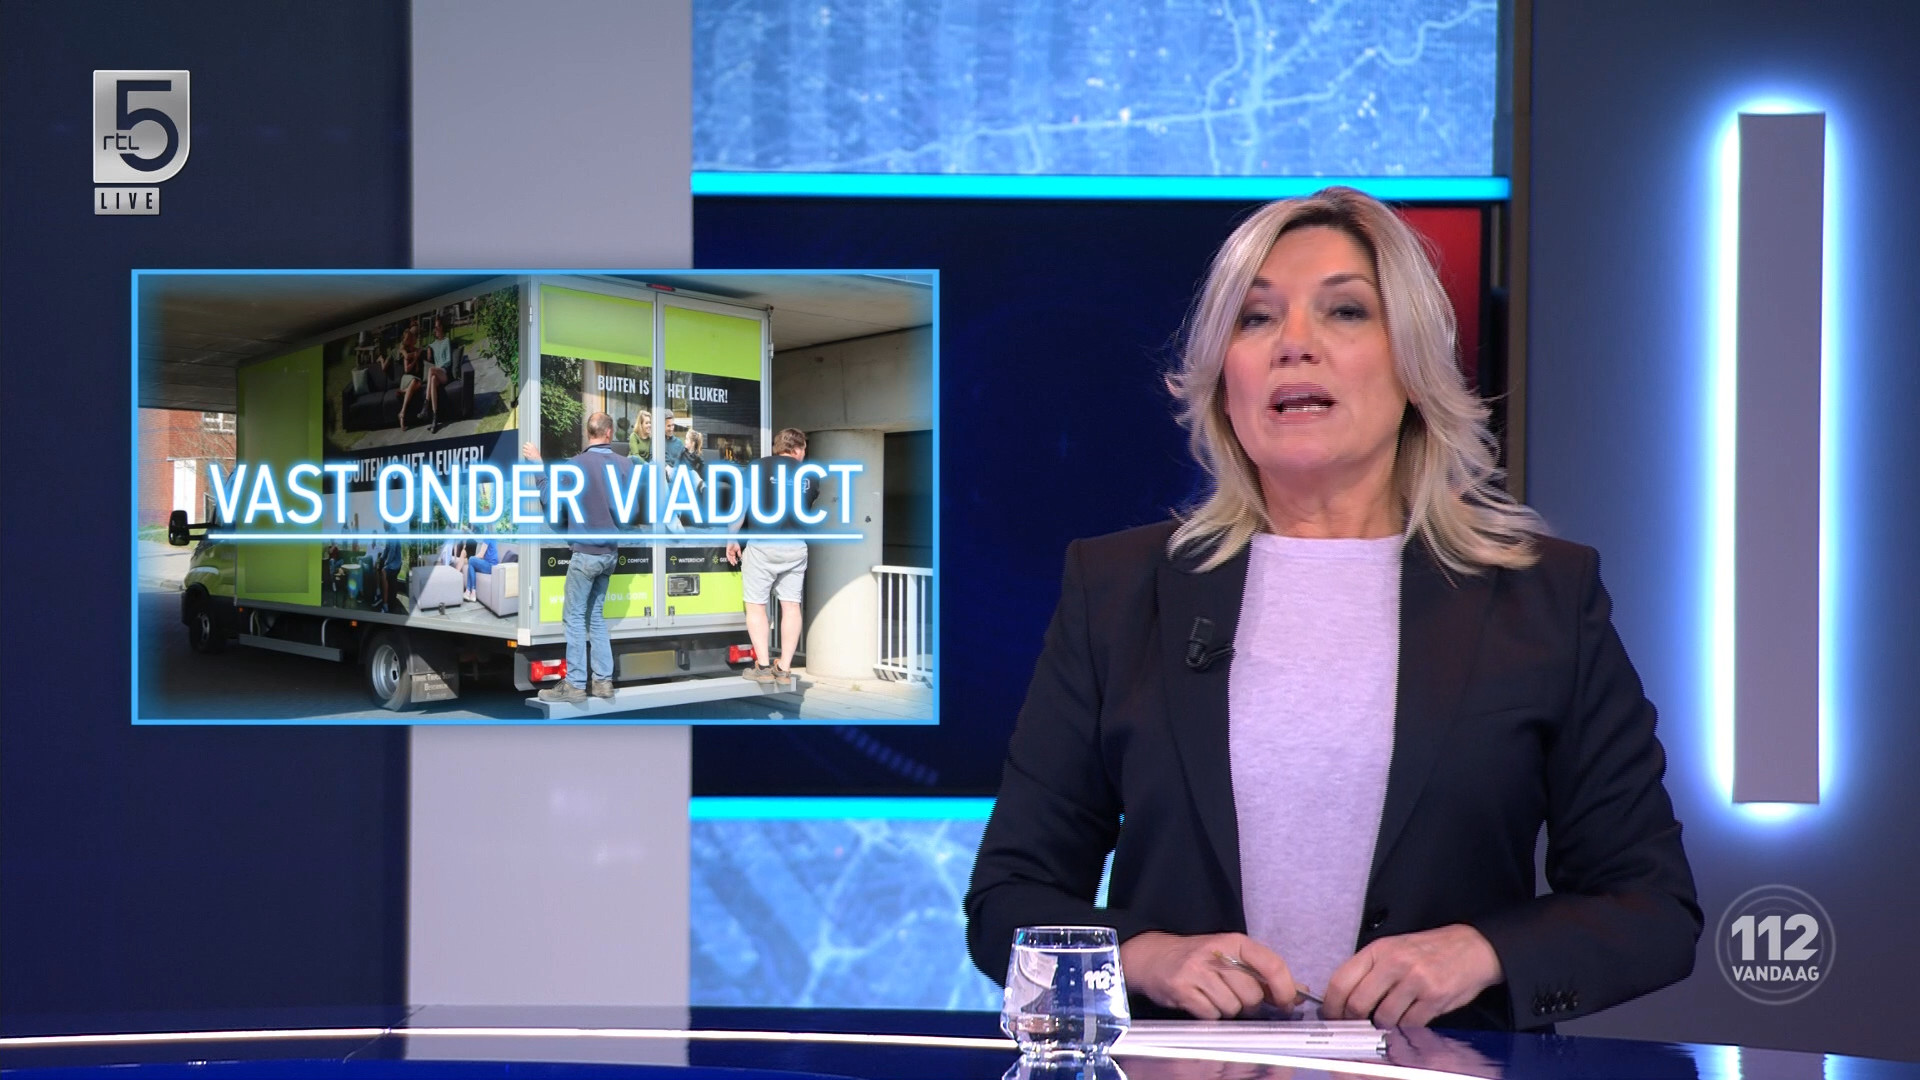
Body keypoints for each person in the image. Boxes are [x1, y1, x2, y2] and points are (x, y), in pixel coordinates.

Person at [963, 187, 1701, 1032]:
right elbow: (1007, 901)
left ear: (1414, 366)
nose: (1294, 344)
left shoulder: (1541, 598)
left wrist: (1479, 952)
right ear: (1225, 384)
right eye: (1255, 319)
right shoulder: (1120, 589)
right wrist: (1147, 958)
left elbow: (1650, 908)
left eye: (1345, 310)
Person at [522, 411, 636, 704]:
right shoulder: (626, 465)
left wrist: (537, 466)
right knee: (595, 617)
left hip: (585, 555)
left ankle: (574, 684)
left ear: (588, 434)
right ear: (609, 433)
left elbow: (549, 499)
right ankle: (602, 682)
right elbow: (631, 511)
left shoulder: (574, 466)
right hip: (609, 555)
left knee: (573, 617)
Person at [724, 428, 819, 687]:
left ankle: (764, 667)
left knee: (756, 605)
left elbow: (740, 506)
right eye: (804, 450)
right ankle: (785, 668)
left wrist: (731, 538)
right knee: (791, 606)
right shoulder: (810, 475)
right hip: (796, 547)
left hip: (763, 546)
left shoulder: (757, 467)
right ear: (797, 449)